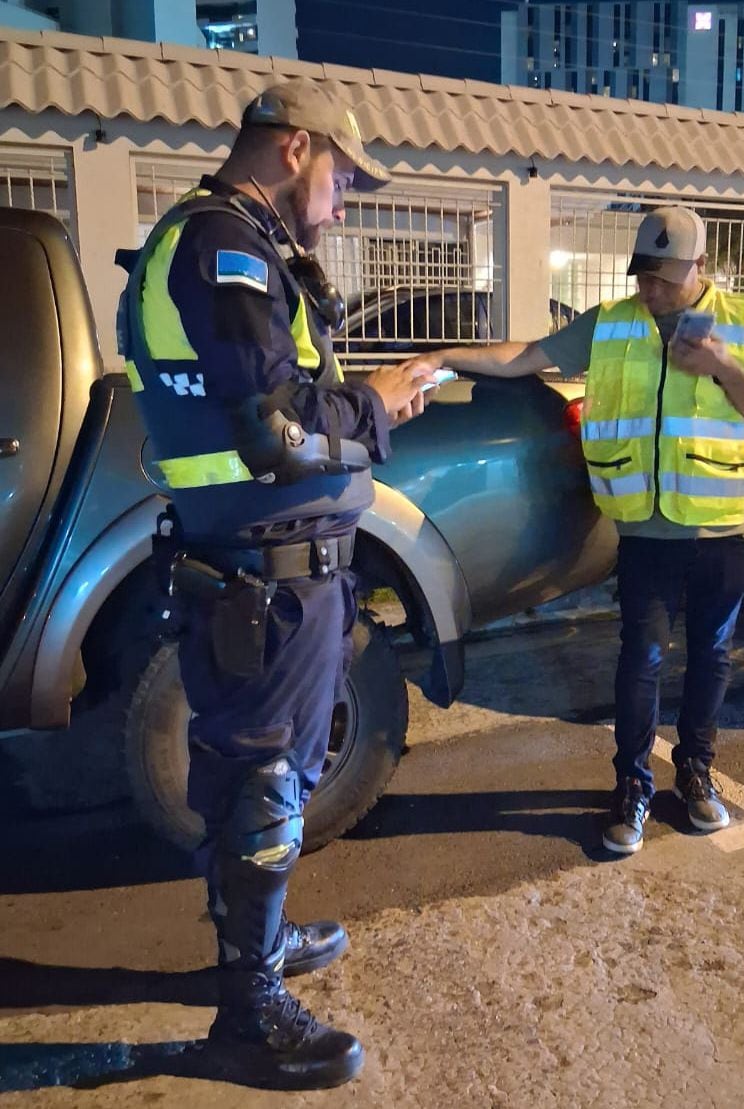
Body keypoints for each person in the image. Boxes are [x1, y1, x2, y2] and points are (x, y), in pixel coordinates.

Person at [116, 80, 433, 1090]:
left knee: (269, 778)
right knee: (263, 786)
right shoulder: (225, 244)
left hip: (275, 570)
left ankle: (258, 936)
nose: (345, 201)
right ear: (296, 150)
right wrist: (376, 407)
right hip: (266, 570)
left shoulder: (226, 242)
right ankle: (247, 1013)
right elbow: (276, 429)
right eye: (344, 177)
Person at [399, 207, 744, 854]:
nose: (652, 288)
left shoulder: (740, 321)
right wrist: (446, 354)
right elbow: (524, 355)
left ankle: (695, 772)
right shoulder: (613, 324)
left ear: (700, 266)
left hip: (725, 529)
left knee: (710, 657)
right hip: (646, 532)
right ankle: (631, 786)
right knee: (641, 659)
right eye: (644, 274)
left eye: (665, 276)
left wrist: (724, 365)